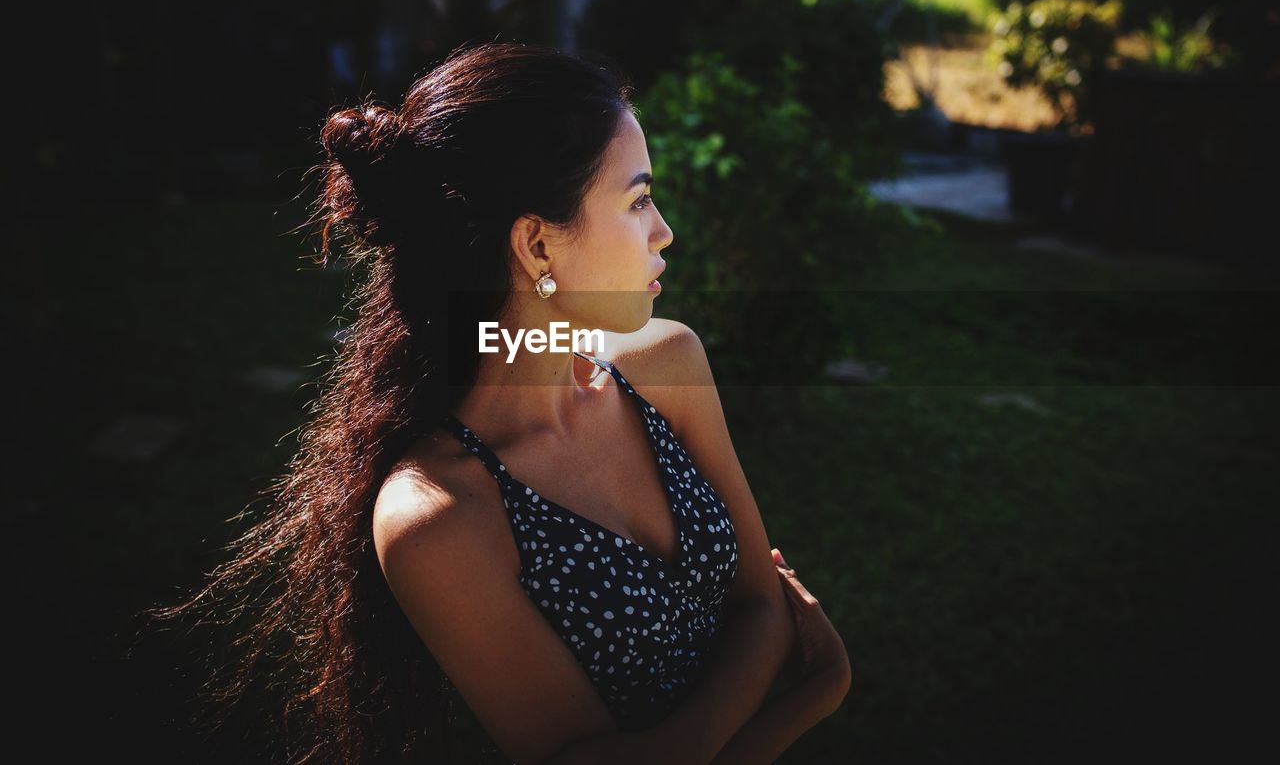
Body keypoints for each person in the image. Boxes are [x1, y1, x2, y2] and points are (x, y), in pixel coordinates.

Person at [147, 41, 850, 765]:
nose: (663, 230)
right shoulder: (438, 518)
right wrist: (810, 692)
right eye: (638, 200)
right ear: (538, 247)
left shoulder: (668, 367)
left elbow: (762, 606)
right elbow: (767, 616)